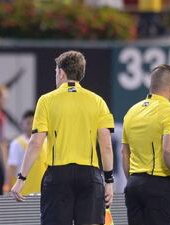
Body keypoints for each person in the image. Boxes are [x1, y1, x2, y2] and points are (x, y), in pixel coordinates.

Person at [11, 51, 114, 225]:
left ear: (61, 72)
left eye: (55, 72)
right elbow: (106, 146)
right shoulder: (98, 101)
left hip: (58, 176)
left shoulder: (46, 101)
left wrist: (21, 179)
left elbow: (36, 142)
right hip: (89, 176)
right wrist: (109, 181)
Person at [122, 64, 170, 225]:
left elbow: (125, 154)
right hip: (159, 186)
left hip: (133, 186)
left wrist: (133, 181)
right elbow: (168, 150)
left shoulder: (131, 111)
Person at [4, 110, 48, 195]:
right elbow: (12, 167)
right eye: (28, 123)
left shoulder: (46, 142)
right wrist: (8, 187)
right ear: (22, 124)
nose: (31, 126)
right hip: (23, 192)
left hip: (43, 190)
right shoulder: (17, 143)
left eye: (33, 122)